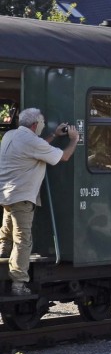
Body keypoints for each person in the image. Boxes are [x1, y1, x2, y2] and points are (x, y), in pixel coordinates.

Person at [0, 108, 78, 296]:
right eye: (42, 122)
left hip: (7, 196)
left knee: (6, 236)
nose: (43, 125)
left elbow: (36, 147)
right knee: (22, 241)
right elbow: (64, 156)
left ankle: (2, 273)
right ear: (35, 125)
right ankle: (18, 285)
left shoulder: (11, 135)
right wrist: (74, 139)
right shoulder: (31, 141)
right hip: (22, 198)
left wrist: (53, 135)